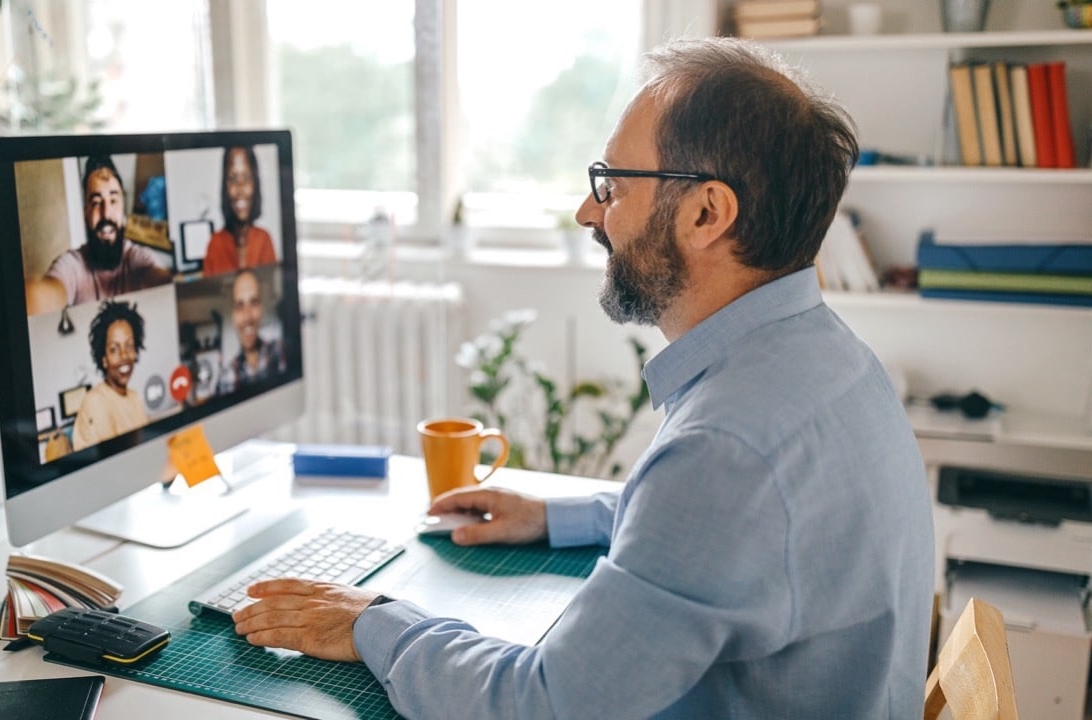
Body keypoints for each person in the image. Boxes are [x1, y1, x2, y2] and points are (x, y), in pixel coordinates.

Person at [230, 38, 935, 719]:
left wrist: (375, 625)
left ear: (706, 213)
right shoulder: (830, 360)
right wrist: (556, 517)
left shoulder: (729, 447)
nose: (588, 212)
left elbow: (541, 706)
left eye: (612, 185)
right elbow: (729, 539)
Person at [26, 156, 173, 315]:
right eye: (96, 202)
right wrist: (34, 297)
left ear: (123, 212)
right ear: (85, 214)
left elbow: (160, 280)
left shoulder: (139, 258)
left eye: (114, 200)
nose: (106, 213)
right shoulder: (72, 266)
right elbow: (48, 294)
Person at [71, 300, 150, 451]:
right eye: (114, 349)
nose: (124, 355)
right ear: (104, 360)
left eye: (129, 345)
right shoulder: (96, 401)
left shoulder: (135, 397)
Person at [202, 146, 277, 276]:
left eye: (247, 178)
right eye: (233, 179)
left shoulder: (264, 239)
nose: (240, 189)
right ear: (225, 187)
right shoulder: (215, 243)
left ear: (255, 184)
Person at [218, 269, 285, 393]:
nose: (248, 317)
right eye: (240, 306)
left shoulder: (281, 353)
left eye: (254, 303)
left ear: (261, 308)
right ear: (233, 315)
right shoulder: (226, 376)